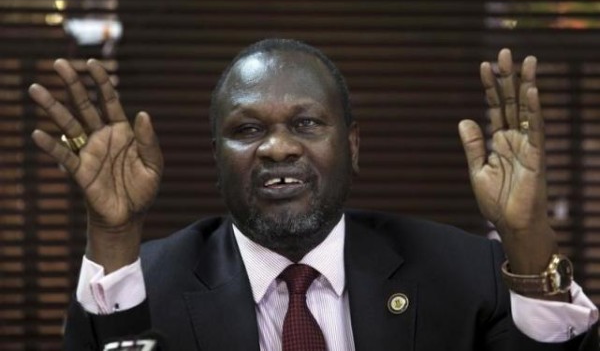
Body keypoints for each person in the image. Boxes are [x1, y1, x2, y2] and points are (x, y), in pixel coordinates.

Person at [28, 39, 599, 351]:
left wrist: (525, 239)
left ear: (352, 146)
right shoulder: (150, 280)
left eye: (306, 124)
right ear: (216, 157)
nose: (278, 148)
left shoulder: (465, 273)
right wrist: (111, 235)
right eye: (248, 130)